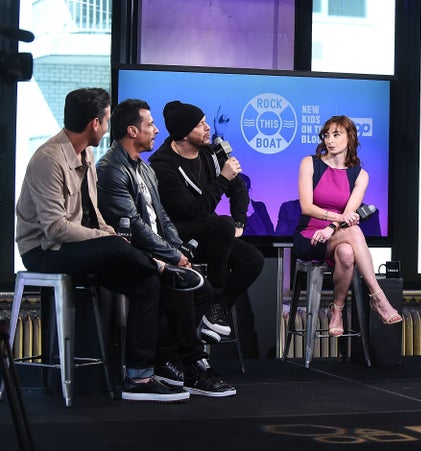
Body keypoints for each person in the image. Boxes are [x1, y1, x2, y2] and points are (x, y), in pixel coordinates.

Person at [15, 88, 202, 402]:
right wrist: (109, 239)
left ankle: (139, 379)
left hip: (78, 247)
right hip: (44, 252)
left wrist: (109, 234)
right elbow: (55, 228)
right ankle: (161, 267)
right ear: (94, 124)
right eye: (106, 120)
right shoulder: (49, 160)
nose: (107, 126)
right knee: (120, 249)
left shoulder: (86, 154)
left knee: (145, 282)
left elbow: (94, 213)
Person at [96, 98, 236, 397]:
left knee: (204, 289)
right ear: (133, 131)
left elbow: (162, 218)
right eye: (150, 125)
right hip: (131, 252)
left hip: (158, 250)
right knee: (180, 286)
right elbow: (133, 225)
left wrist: (178, 250)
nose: (157, 131)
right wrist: (172, 256)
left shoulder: (144, 170)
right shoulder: (111, 168)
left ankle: (170, 359)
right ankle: (190, 363)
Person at [149, 100, 264, 344]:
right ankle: (214, 297)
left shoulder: (211, 154)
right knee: (221, 224)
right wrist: (222, 179)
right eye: (200, 124)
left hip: (210, 232)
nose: (207, 128)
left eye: (205, 122)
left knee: (252, 259)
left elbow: (239, 189)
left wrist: (240, 221)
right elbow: (193, 210)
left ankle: (215, 309)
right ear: (183, 132)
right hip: (177, 234)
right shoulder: (163, 165)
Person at [293, 115, 402, 337]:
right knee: (352, 230)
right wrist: (333, 221)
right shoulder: (309, 163)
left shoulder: (360, 175)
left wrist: (330, 228)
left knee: (346, 252)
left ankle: (337, 310)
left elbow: (349, 213)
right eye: (326, 135)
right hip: (308, 236)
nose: (330, 140)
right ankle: (378, 297)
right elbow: (307, 207)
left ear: (350, 137)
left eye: (336, 134)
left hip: (335, 235)